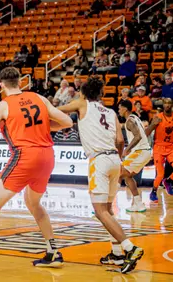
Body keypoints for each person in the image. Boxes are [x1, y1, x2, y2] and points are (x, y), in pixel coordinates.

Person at [0, 67, 73, 276]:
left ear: (1, 85)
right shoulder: (38, 97)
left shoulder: (3, 106)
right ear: (20, 82)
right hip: (47, 156)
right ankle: (53, 251)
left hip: (25, 156)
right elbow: (67, 122)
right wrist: (41, 129)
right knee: (33, 203)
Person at [58, 77, 144, 273]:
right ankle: (116, 254)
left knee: (100, 211)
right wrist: (118, 158)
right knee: (108, 210)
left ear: (83, 93)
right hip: (115, 159)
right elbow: (120, 140)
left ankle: (130, 248)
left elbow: (58, 111)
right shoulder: (111, 112)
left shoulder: (81, 103)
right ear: (101, 94)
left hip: (99, 161)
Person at [117, 100, 151, 213]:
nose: (119, 110)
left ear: (125, 108)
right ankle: (139, 204)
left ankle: (105, 206)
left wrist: (127, 149)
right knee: (127, 176)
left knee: (119, 173)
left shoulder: (129, 121)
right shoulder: (135, 117)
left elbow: (138, 137)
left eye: (120, 108)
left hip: (140, 151)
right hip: (143, 151)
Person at [145, 98, 173, 202]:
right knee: (160, 174)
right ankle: (153, 191)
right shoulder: (158, 117)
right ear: (163, 104)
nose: (167, 105)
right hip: (159, 147)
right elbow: (146, 133)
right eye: (165, 103)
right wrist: (153, 124)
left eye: (169, 103)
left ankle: (168, 181)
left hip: (171, 147)